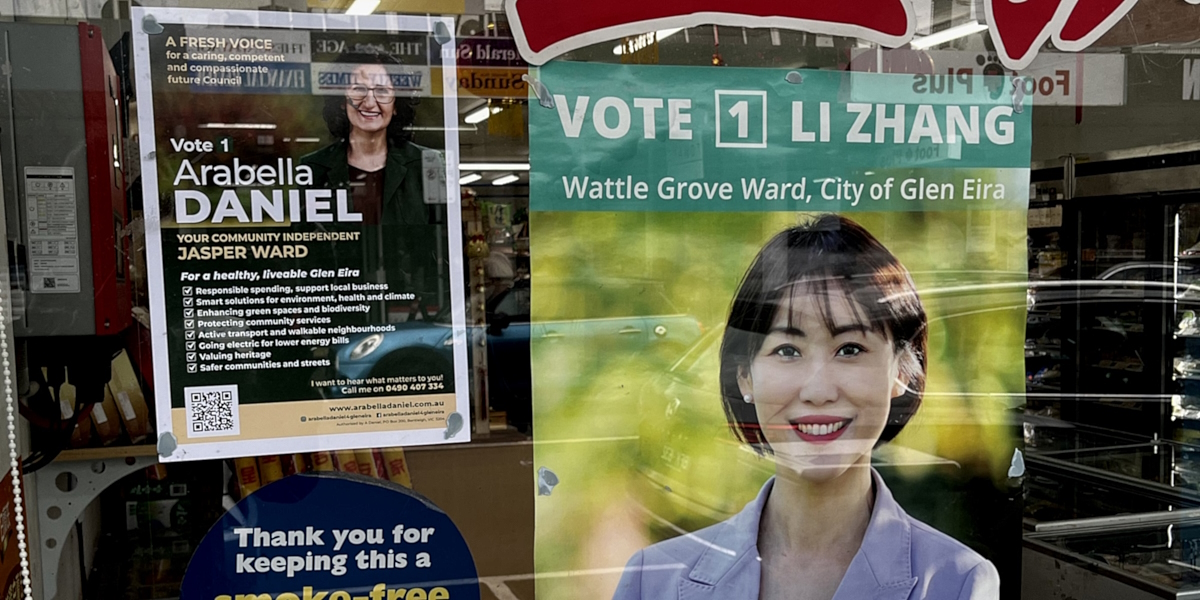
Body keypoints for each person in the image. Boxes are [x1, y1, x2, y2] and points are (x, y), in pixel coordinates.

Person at [613, 215, 999, 600]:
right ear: (743, 376)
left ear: (901, 370)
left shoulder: (959, 582)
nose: (818, 390)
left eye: (850, 349)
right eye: (787, 350)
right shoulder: (654, 580)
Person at [301, 53, 441, 322]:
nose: (370, 101)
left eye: (382, 91)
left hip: (412, 312)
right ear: (341, 100)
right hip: (339, 314)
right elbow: (303, 253)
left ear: (397, 104)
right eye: (358, 89)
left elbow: (443, 248)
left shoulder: (428, 165)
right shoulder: (313, 169)